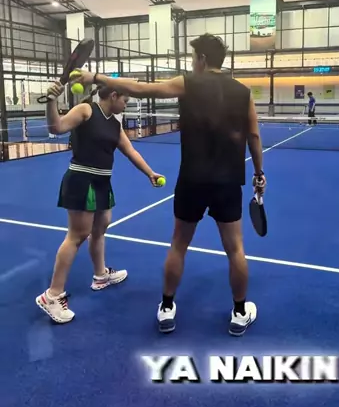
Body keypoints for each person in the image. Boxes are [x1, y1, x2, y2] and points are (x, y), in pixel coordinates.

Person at [72, 34, 266, 337]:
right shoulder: (243, 92)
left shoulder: (187, 83)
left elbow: (140, 88)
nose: (192, 62)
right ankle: (240, 313)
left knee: (178, 245)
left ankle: (166, 307)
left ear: (202, 59)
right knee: (235, 249)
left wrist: (95, 77)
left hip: (191, 180)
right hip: (228, 182)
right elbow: (253, 136)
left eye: (193, 57)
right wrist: (258, 173)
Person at [36, 84, 163, 324]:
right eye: (125, 100)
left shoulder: (114, 124)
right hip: (82, 180)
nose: (126, 105)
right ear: (113, 96)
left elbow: (130, 151)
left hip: (102, 182)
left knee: (100, 228)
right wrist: (51, 101)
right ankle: (51, 295)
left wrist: (150, 173)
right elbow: (56, 127)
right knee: (77, 236)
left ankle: (100, 275)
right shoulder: (86, 110)